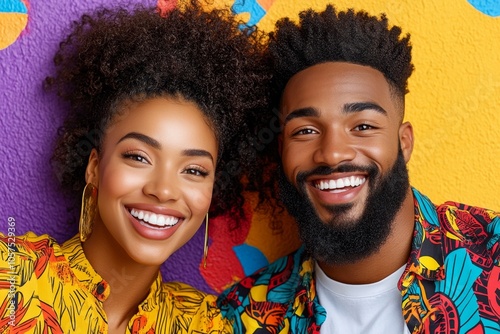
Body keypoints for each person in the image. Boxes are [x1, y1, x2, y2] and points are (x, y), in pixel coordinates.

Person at [217, 4, 500, 334]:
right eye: (305, 131)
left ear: (403, 142)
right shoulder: (242, 317)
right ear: (281, 151)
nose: (332, 153)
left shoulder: (493, 257)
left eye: (363, 126)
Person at [0, 1, 270, 333]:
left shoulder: (209, 326)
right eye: (139, 157)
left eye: (195, 170)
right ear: (94, 167)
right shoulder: (10, 280)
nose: (164, 189)